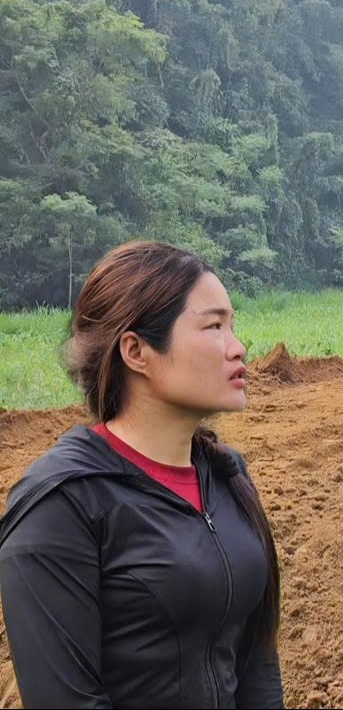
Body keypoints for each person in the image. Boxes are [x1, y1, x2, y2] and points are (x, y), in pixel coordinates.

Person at [0, 241, 283, 708]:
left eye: (233, 326)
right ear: (136, 351)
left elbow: (256, 662)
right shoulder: (63, 504)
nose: (239, 348)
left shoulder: (226, 476)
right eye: (214, 326)